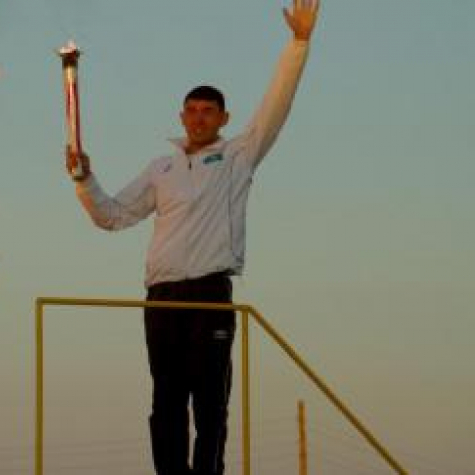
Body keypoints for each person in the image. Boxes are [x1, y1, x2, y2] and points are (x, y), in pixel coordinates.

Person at [65, 1, 319, 474]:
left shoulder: (239, 155)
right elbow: (113, 216)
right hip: (161, 298)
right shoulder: (161, 168)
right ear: (181, 116)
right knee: (165, 402)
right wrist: (84, 181)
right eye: (192, 110)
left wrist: (299, 43)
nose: (199, 118)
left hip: (208, 294)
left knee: (209, 405)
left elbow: (277, 105)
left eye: (209, 111)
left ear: (224, 118)